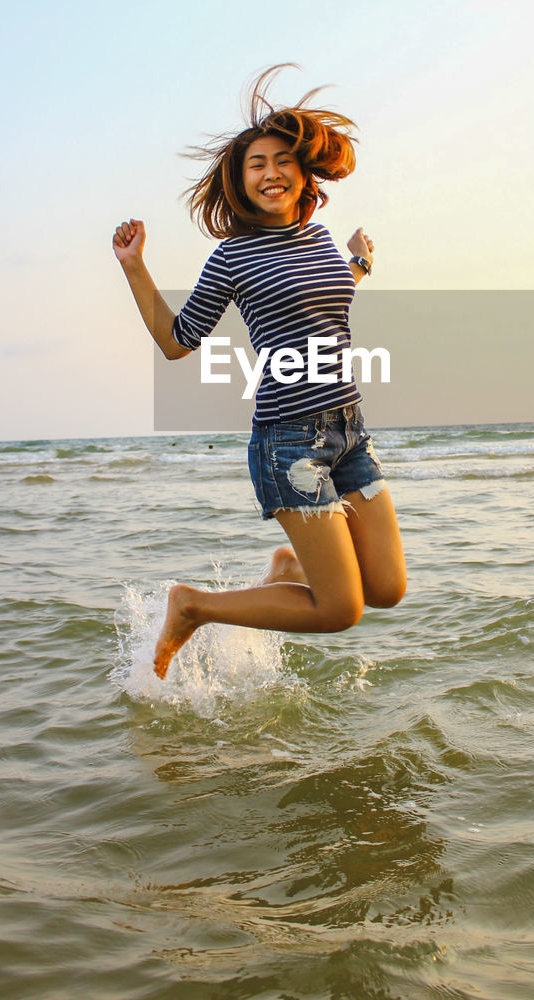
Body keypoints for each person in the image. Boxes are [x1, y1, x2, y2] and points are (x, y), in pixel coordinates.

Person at [112, 64, 406, 679]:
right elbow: (176, 341)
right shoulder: (232, 257)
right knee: (340, 611)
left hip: (349, 432)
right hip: (289, 441)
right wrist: (135, 267)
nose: (270, 173)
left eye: (281, 162)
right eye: (256, 166)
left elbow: (328, 297)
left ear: (303, 173)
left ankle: (288, 569)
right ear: (240, 184)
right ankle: (193, 606)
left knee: (387, 590)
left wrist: (359, 261)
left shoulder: (321, 237)